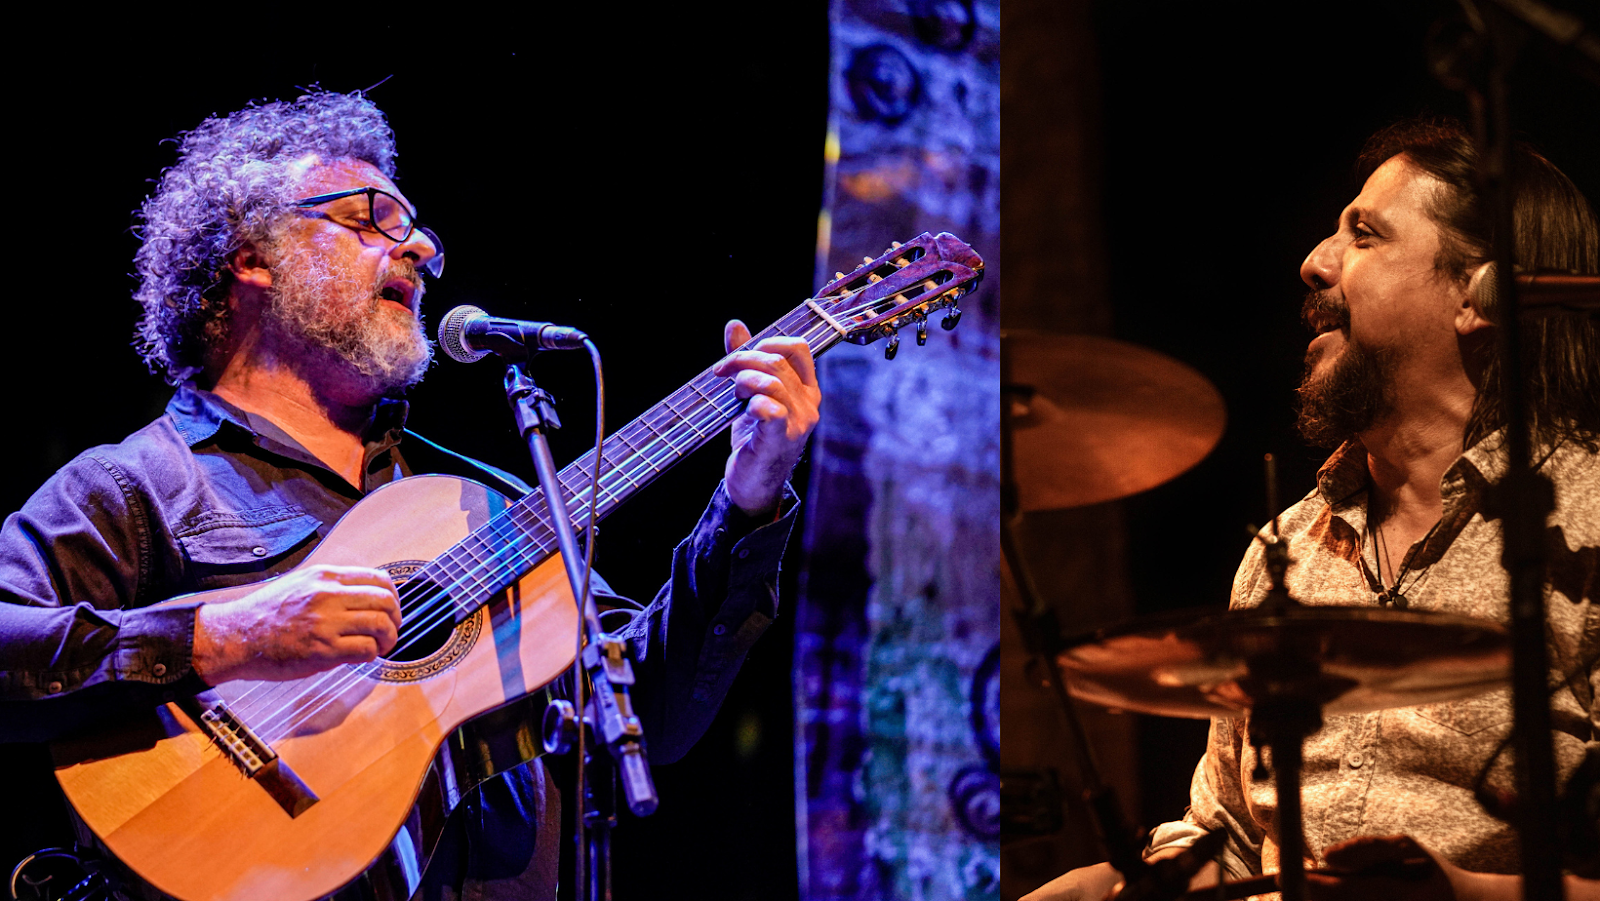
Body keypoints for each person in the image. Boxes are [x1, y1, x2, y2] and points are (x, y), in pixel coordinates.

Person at [0, 90, 820, 899]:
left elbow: (655, 714)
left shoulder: (483, 506)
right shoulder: (140, 483)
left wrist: (748, 497)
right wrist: (224, 634)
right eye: (369, 218)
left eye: (417, 226)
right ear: (250, 255)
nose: (421, 246)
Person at [1023, 117, 1599, 901]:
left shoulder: (1587, 526)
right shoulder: (1285, 548)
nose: (1314, 263)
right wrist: (1113, 885)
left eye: (1363, 235)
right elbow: (1226, 836)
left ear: (1478, 293)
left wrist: (1461, 895)